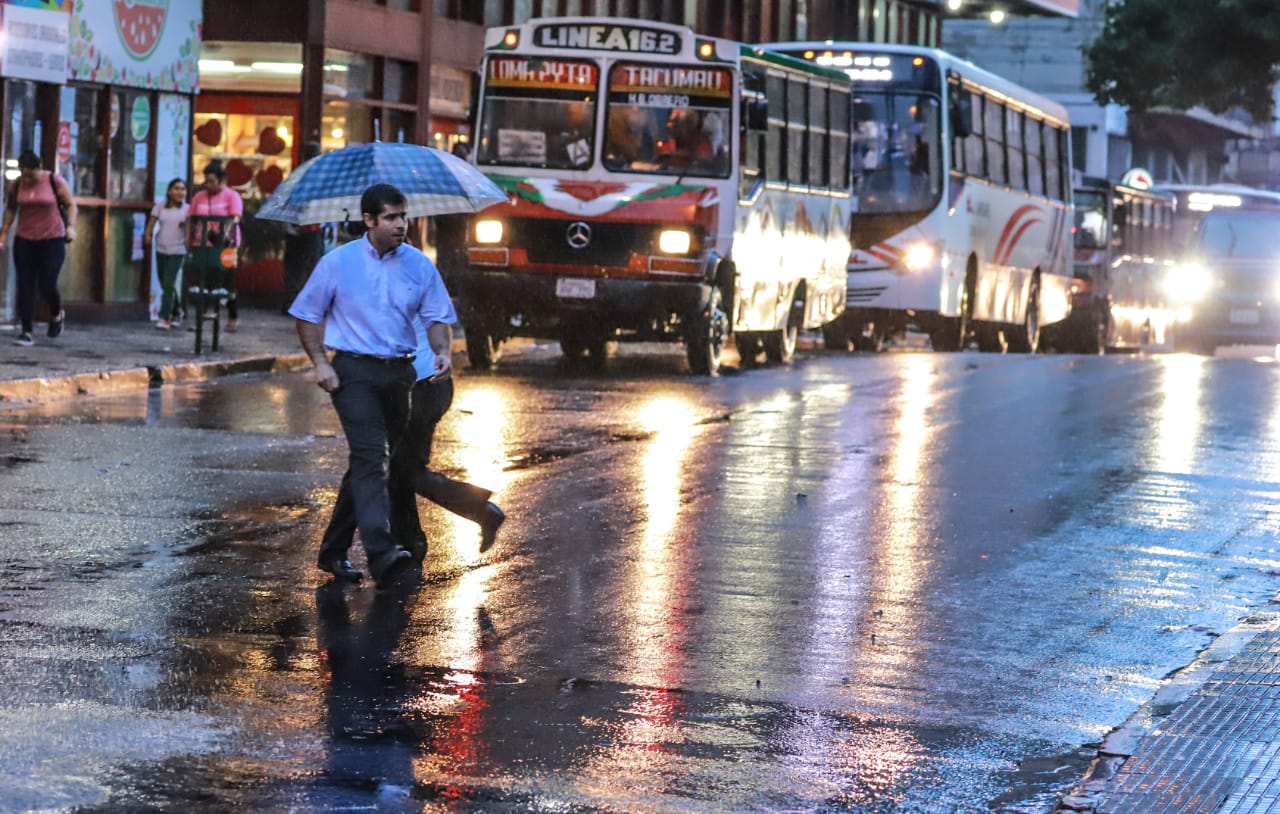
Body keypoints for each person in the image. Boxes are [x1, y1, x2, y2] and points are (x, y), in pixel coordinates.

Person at [289, 182, 457, 589]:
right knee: (370, 457)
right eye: (392, 218)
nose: (402, 224)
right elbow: (306, 315)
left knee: (368, 465)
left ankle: (333, 551)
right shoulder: (338, 263)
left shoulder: (419, 265)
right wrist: (320, 364)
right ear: (369, 220)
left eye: (405, 216)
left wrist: (442, 352)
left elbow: (437, 317)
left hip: (401, 376)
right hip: (354, 374)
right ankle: (383, 553)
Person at [0, 150, 76, 347]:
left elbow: (70, 205)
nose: (27, 179)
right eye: (24, 174)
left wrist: (71, 227)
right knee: (25, 284)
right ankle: (26, 331)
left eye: (30, 174)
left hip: (52, 239)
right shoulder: (16, 185)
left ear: (39, 167)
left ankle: (56, 313)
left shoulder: (54, 181)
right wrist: (4, 234)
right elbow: (11, 209)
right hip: (25, 239)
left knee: (47, 283)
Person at [186, 159, 244, 332]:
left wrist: (223, 233)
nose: (209, 185)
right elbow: (191, 218)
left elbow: (235, 217)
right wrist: (188, 239)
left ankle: (232, 316)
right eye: (207, 181)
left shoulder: (232, 196)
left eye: (212, 181)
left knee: (225, 281)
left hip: (225, 245)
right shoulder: (199, 197)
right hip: (202, 243)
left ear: (222, 180)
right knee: (205, 280)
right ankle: (201, 318)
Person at [281, 142, 326, 313]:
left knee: (296, 268)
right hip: (310, 228)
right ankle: (304, 304)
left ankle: (292, 303)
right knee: (309, 267)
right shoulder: (316, 177)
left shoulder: (296, 176)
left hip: (298, 228)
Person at [143, 178, 189, 330]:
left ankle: (164, 317)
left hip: (178, 250)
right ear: (169, 191)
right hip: (161, 248)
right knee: (164, 283)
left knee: (169, 283)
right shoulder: (160, 206)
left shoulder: (187, 209)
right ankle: (177, 311)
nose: (179, 192)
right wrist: (148, 236)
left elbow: (189, 231)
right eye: (176, 188)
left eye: (182, 189)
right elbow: (151, 223)